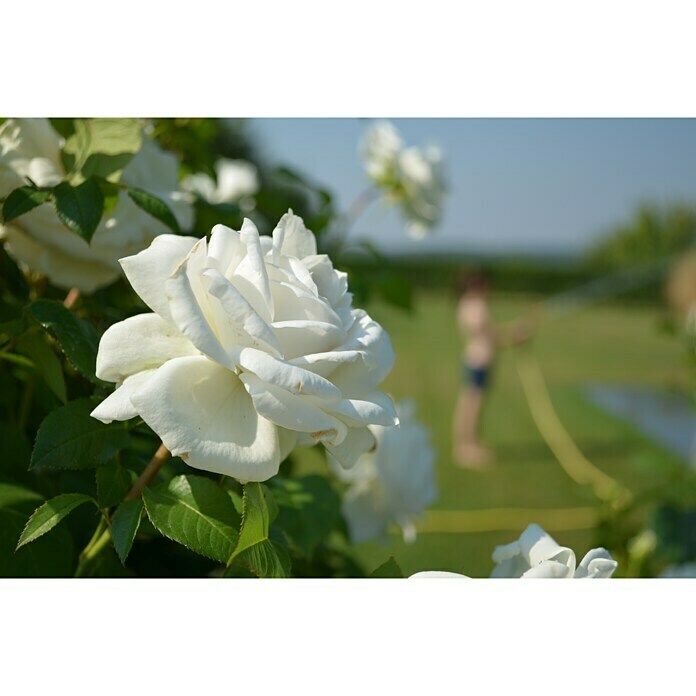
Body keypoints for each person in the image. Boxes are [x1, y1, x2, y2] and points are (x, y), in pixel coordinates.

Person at [453, 271, 536, 468]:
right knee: (472, 405)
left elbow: (491, 332)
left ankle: (469, 444)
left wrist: (517, 330)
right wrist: (518, 335)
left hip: (477, 360)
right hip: (478, 361)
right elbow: (491, 335)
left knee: (471, 404)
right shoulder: (476, 307)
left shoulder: (468, 304)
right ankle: (466, 448)